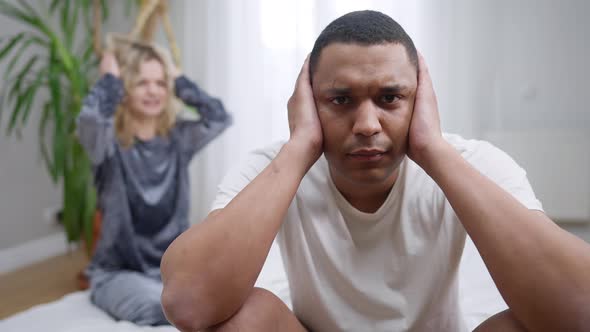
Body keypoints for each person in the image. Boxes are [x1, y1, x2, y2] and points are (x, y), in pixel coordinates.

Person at [160, 10, 590, 332]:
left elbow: (579, 309)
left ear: (420, 100)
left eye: (389, 98)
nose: (367, 125)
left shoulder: (474, 162)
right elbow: (189, 302)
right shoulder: (267, 169)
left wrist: (432, 150)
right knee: (244, 319)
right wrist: (299, 148)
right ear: (308, 103)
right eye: (340, 100)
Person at [76, 41, 231, 325]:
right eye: (142, 82)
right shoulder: (106, 143)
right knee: (163, 309)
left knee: (231, 294)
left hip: (176, 266)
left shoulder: (179, 138)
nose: (153, 90)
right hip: (119, 273)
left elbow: (220, 117)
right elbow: (90, 120)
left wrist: (179, 80)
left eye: (161, 83)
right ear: (124, 90)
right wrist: (109, 80)